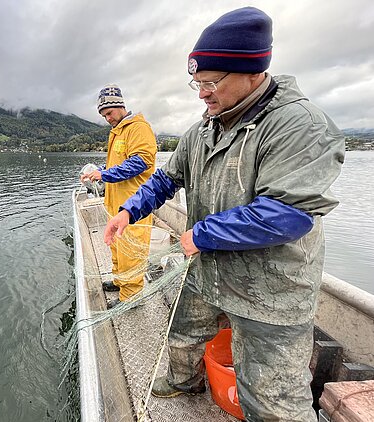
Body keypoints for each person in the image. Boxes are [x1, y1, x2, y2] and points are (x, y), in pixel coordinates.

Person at [103, 7, 344, 421]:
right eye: (196, 83)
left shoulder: (300, 125)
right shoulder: (201, 129)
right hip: (206, 270)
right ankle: (185, 380)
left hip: (271, 289)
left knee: (273, 398)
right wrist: (129, 209)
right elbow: (167, 179)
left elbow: (289, 211)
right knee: (184, 334)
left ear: (253, 73)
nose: (202, 93)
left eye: (211, 83)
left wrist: (203, 234)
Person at [81, 84, 157, 309]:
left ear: (120, 106)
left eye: (109, 113)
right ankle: (119, 281)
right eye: (103, 115)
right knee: (117, 247)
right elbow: (117, 163)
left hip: (135, 205)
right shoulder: (117, 131)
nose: (107, 118)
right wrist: (99, 173)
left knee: (132, 251)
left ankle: (131, 297)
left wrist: (104, 173)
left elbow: (141, 161)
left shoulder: (138, 128)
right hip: (116, 204)